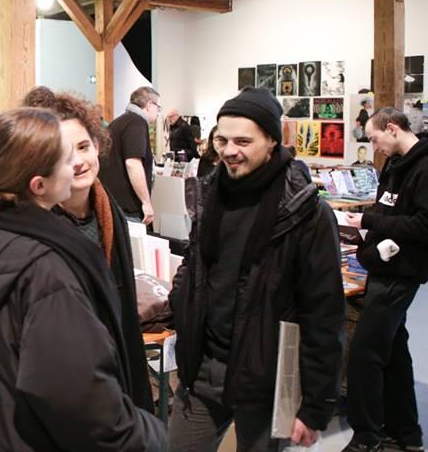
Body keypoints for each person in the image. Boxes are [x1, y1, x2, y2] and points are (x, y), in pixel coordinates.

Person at [0, 107, 166, 451]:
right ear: (40, 184)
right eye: (65, 159)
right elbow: (83, 402)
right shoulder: (47, 269)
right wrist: (151, 436)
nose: (76, 167)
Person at [168, 87, 345, 451]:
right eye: (222, 139)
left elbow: (324, 312)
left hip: (265, 376)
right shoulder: (210, 192)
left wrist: (315, 406)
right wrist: (180, 303)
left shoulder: (306, 213)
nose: (230, 151)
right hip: (201, 367)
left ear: (271, 141)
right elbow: (195, 261)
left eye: (243, 141)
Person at [22, 86, 154, 413]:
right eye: (64, 153)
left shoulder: (110, 212)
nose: (78, 162)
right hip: (60, 381)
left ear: (97, 146)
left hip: (111, 365)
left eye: (84, 146)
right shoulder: (32, 226)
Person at [343, 108, 428, 452]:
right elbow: (386, 208)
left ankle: (366, 437)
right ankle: (406, 433)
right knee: (393, 352)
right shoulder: (394, 164)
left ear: (392, 129)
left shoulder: (424, 167)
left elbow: (423, 225)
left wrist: (370, 224)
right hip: (382, 267)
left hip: (401, 273)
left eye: (375, 138)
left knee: (364, 354)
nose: (373, 146)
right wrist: (359, 220)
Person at [101, 86, 161, 224]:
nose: (158, 112)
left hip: (113, 203)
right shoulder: (137, 123)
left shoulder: (120, 121)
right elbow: (133, 163)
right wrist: (146, 202)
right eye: (158, 107)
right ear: (150, 105)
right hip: (126, 209)